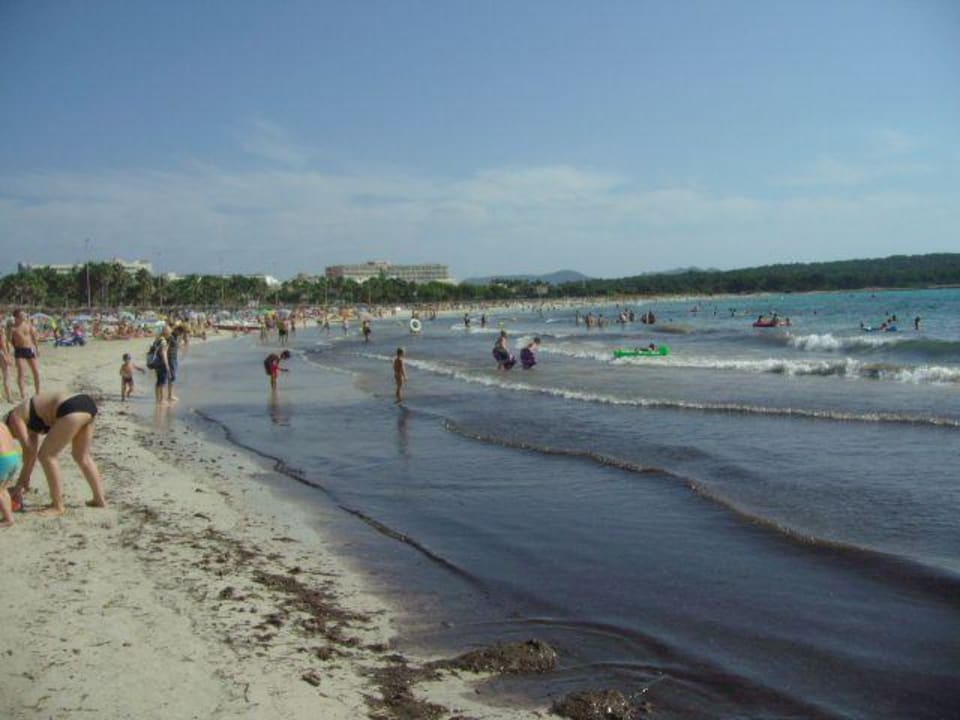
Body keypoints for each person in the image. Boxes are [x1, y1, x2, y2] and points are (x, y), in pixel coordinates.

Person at [5, 391, 107, 517]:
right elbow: (30, 455)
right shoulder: (29, 421)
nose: (14, 438)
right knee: (82, 456)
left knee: (47, 456)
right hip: (85, 403)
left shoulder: (14, 418)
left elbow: (27, 449)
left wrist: (19, 483)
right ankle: (99, 499)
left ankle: (57, 506)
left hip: (69, 408)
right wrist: (22, 483)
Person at [10, 309, 40, 399]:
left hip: (29, 349)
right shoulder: (12, 328)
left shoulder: (28, 325)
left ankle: (38, 392)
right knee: (21, 373)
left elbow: (34, 337)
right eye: (22, 315)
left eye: (24, 314)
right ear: (16, 317)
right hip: (19, 350)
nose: (24, 316)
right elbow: (9, 341)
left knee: (36, 372)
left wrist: (37, 348)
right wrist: (9, 352)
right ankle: (23, 394)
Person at [0, 422, 22, 526]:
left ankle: (8, 518)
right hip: (13, 457)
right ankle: (8, 515)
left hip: (2, 459)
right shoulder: (2, 424)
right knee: (3, 489)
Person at [150, 326, 171, 404]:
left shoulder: (157, 339)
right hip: (161, 363)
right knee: (162, 382)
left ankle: (157, 398)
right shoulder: (163, 341)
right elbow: (163, 354)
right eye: (169, 332)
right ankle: (162, 399)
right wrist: (167, 366)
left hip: (156, 362)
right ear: (167, 333)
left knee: (158, 381)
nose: (170, 334)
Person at [0, 326, 13, 403]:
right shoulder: (1, 329)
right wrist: (7, 356)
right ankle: (9, 397)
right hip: (1, 353)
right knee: (6, 375)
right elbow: (3, 344)